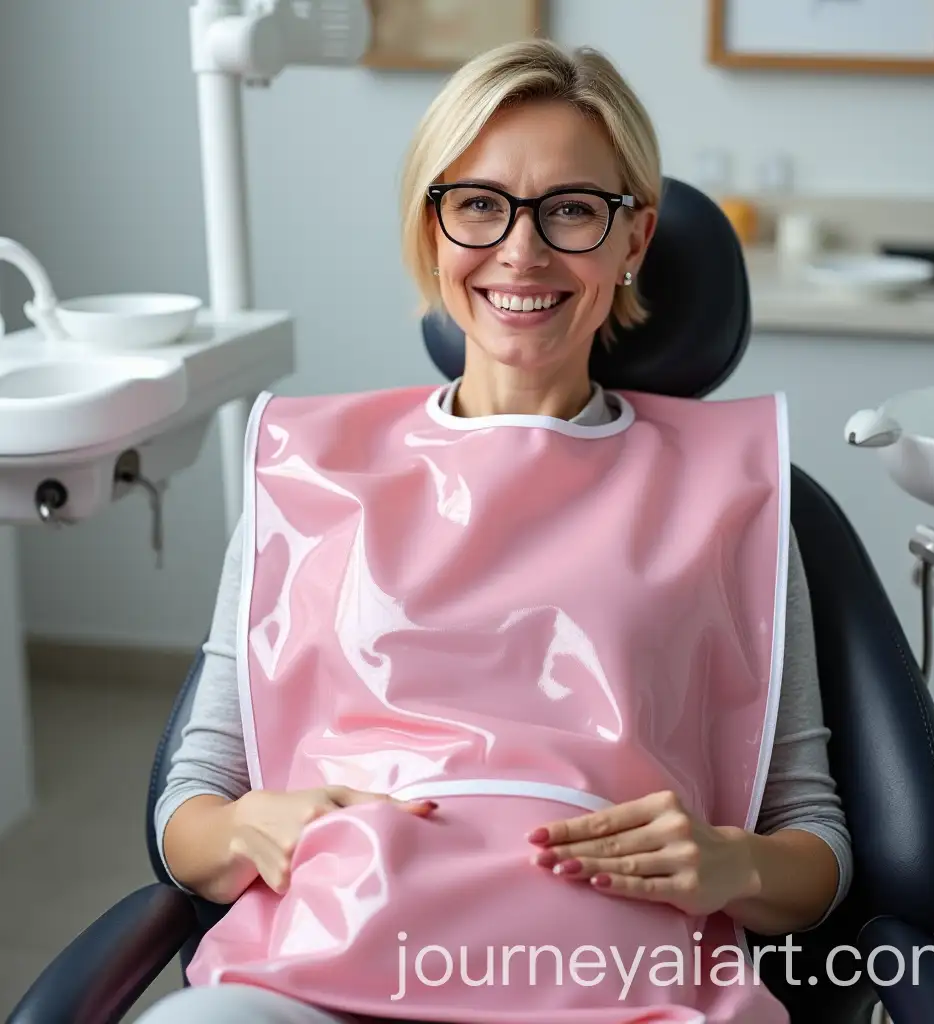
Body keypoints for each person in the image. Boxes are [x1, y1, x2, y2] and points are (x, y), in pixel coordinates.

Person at [138, 38, 850, 1024]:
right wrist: (244, 828)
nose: (522, 251)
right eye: (478, 204)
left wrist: (732, 863)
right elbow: (192, 802)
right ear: (428, 231)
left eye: (571, 210)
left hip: (620, 991)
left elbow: (813, 841)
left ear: (632, 240)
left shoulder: (735, 492)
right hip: (322, 976)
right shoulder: (307, 468)